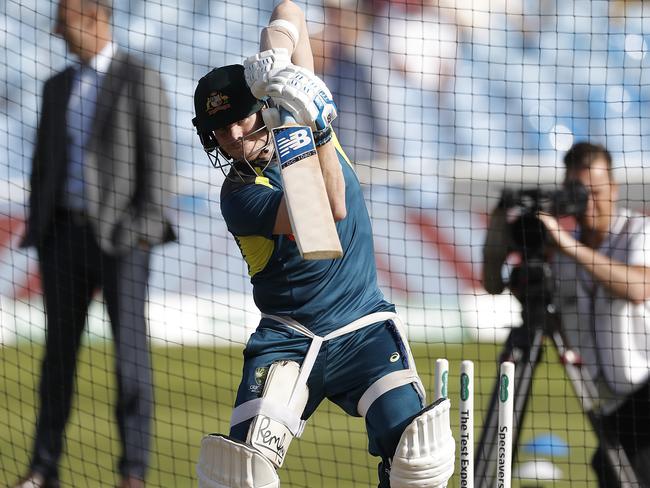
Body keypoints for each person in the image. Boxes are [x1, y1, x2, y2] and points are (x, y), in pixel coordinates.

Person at [190, 2, 455, 487]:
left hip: (363, 325)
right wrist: (318, 123)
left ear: (259, 109)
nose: (231, 135)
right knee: (239, 475)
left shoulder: (294, 112)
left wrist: (278, 58)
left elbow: (289, 7)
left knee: (420, 460)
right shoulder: (240, 195)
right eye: (218, 129)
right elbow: (323, 217)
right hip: (289, 336)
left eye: (240, 119)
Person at [15, 0, 175, 487]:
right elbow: (43, 167)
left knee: (129, 357)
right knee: (57, 358)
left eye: (63, 24)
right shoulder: (55, 86)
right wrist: (42, 233)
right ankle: (43, 469)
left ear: (92, 17)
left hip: (123, 245)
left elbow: (159, 165)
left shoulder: (138, 77)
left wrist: (138, 233)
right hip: (63, 238)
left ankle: (132, 473)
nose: (58, 34)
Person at [483, 142, 650, 487]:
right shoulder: (558, 245)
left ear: (614, 189)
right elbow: (492, 283)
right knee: (612, 473)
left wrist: (567, 245)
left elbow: (637, 288)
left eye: (596, 191)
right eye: (578, 191)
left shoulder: (638, 231)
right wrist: (500, 221)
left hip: (646, 390)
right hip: (608, 404)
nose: (588, 201)